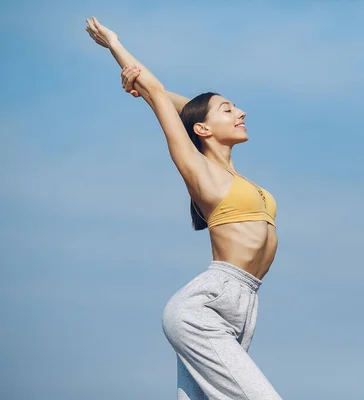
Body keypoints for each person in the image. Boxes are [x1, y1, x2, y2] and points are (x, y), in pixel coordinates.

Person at [84, 16, 282, 400]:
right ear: (204, 131)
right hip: (205, 305)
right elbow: (158, 93)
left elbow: (186, 110)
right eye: (228, 109)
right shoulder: (199, 171)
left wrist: (162, 95)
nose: (240, 113)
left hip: (244, 303)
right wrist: (115, 45)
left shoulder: (236, 177)